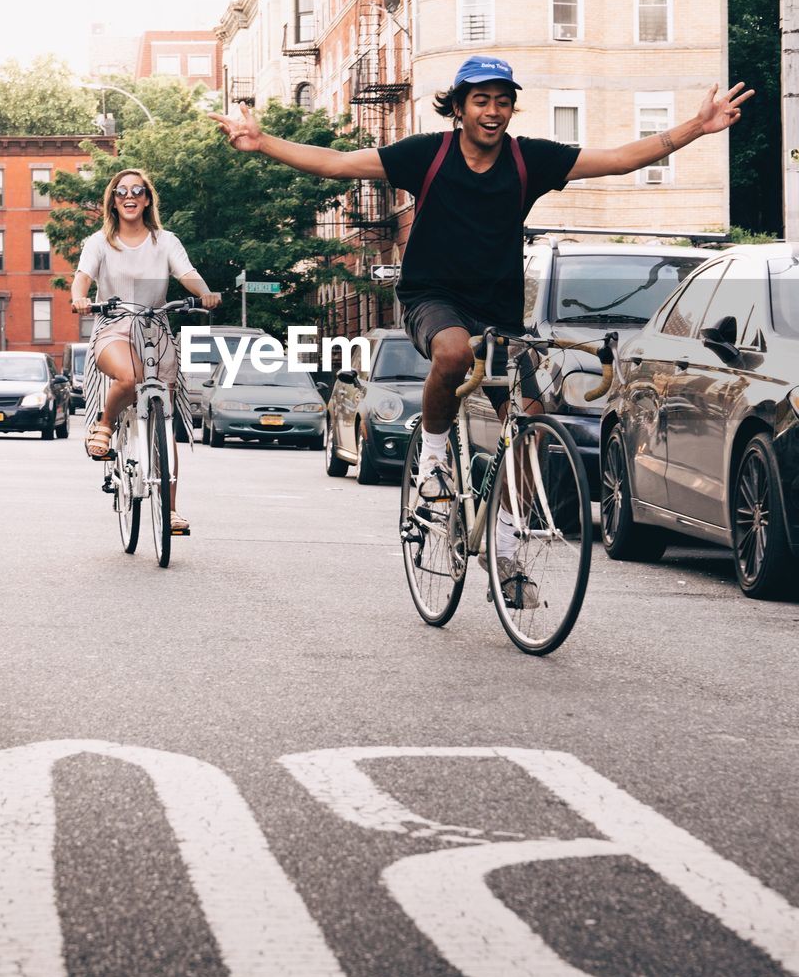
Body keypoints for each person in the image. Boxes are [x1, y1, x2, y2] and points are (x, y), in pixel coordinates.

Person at [210, 56, 752, 593]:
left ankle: (509, 551)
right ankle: (430, 463)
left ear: (511, 108)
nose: (493, 111)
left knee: (529, 422)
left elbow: (617, 159)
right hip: (432, 296)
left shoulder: (528, 161)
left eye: (502, 101)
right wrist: (265, 143)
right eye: (481, 100)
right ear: (460, 108)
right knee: (449, 354)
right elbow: (337, 163)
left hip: (498, 314)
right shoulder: (428, 154)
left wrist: (696, 129)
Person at [70, 168, 221, 535]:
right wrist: (79, 298)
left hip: (156, 329)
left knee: (164, 420)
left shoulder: (165, 240)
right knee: (129, 376)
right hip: (113, 327)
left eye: (137, 190)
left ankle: (169, 510)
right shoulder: (100, 242)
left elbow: (187, 272)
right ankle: (104, 427)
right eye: (121, 191)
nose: (129, 196)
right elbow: (83, 276)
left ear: (147, 198)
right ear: (114, 200)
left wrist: (204, 291)